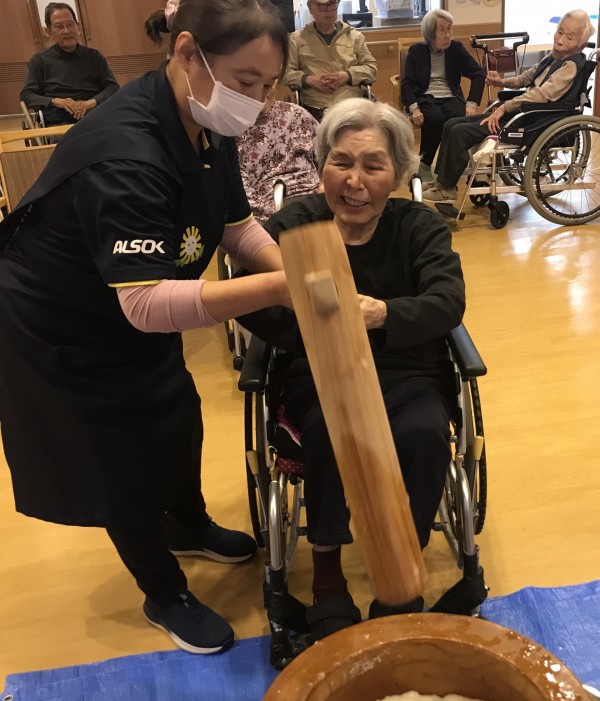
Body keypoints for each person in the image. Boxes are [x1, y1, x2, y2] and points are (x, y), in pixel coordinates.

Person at [0, 0, 291, 656]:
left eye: (269, 85)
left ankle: (187, 523)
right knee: (120, 458)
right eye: (246, 82)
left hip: (137, 301)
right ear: (187, 53)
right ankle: (164, 591)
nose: (257, 102)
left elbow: (235, 225)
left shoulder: (205, 119)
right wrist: (280, 288)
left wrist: (293, 268)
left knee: (176, 411)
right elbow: (145, 305)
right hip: (62, 320)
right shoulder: (125, 154)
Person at [241, 98, 465, 641]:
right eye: (340, 162)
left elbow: (447, 301)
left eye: (373, 165)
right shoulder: (295, 224)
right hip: (319, 372)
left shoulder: (418, 226)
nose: (354, 181)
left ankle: (401, 566)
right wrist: (314, 326)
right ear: (322, 165)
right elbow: (249, 300)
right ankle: (328, 577)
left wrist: (382, 313)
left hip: (405, 370)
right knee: (329, 432)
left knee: (422, 433)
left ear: (399, 172)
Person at [422, 9, 595, 204]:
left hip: (533, 121)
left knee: (459, 133)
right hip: (522, 113)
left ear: (581, 44)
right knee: (451, 124)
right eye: (559, 32)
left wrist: (504, 108)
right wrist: (501, 82)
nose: (560, 40)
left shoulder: (570, 67)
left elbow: (540, 95)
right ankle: (441, 182)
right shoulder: (553, 57)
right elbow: (526, 78)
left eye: (569, 37)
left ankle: (447, 190)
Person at [400, 9, 485, 184]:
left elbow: (478, 73)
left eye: (449, 29)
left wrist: (472, 103)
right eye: (442, 30)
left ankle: (445, 169)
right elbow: (406, 84)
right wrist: (414, 108)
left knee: (456, 119)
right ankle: (425, 164)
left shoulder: (456, 48)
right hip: (426, 96)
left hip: (451, 96)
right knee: (435, 117)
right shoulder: (416, 51)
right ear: (430, 33)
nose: (447, 35)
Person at [20, 2, 119, 126]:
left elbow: (112, 87)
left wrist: (91, 102)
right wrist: (57, 101)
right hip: (57, 117)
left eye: (70, 24)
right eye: (59, 26)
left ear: (78, 26)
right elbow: (26, 95)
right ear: (49, 32)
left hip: (93, 113)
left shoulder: (94, 56)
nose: (66, 31)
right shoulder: (39, 60)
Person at [235, 82, 321, 223]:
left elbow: (328, 155)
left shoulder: (297, 114)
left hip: (315, 198)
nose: (263, 92)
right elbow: (239, 192)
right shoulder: (231, 127)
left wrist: (326, 185)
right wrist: (279, 217)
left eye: (269, 84)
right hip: (270, 210)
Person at [282, 0, 377, 122]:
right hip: (314, 108)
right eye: (321, 5)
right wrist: (308, 80)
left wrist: (347, 75)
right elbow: (285, 72)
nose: (327, 10)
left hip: (351, 105)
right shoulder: (297, 39)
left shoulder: (354, 37)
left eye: (332, 4)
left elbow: (371, 68)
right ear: (310, 7)